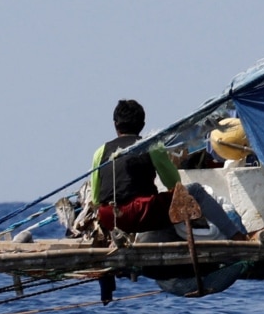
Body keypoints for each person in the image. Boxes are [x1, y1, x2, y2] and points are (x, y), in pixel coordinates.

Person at [90, 99, 247, 240]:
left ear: (115, 124)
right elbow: (174, 184)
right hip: (142, 212)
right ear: (142, 125)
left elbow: (96, 199)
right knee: (195, 191)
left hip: (110, 217)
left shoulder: (100, 151)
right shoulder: (151, 145)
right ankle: (237, 235)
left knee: (159, 211)